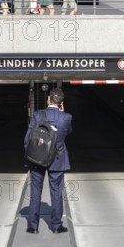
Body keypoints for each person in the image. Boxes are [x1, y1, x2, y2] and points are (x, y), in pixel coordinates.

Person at [24, 88, 73, 234]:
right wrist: (62, 112)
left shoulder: (38, 114)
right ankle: (57, 226)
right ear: (61, 103)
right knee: (56, 192)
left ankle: (33, 226)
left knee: (35, 191)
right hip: (57, 159)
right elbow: (68, 131)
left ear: (48, 99)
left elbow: (28, 137)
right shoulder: (66, 117)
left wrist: (30, 155)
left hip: (38, 158)